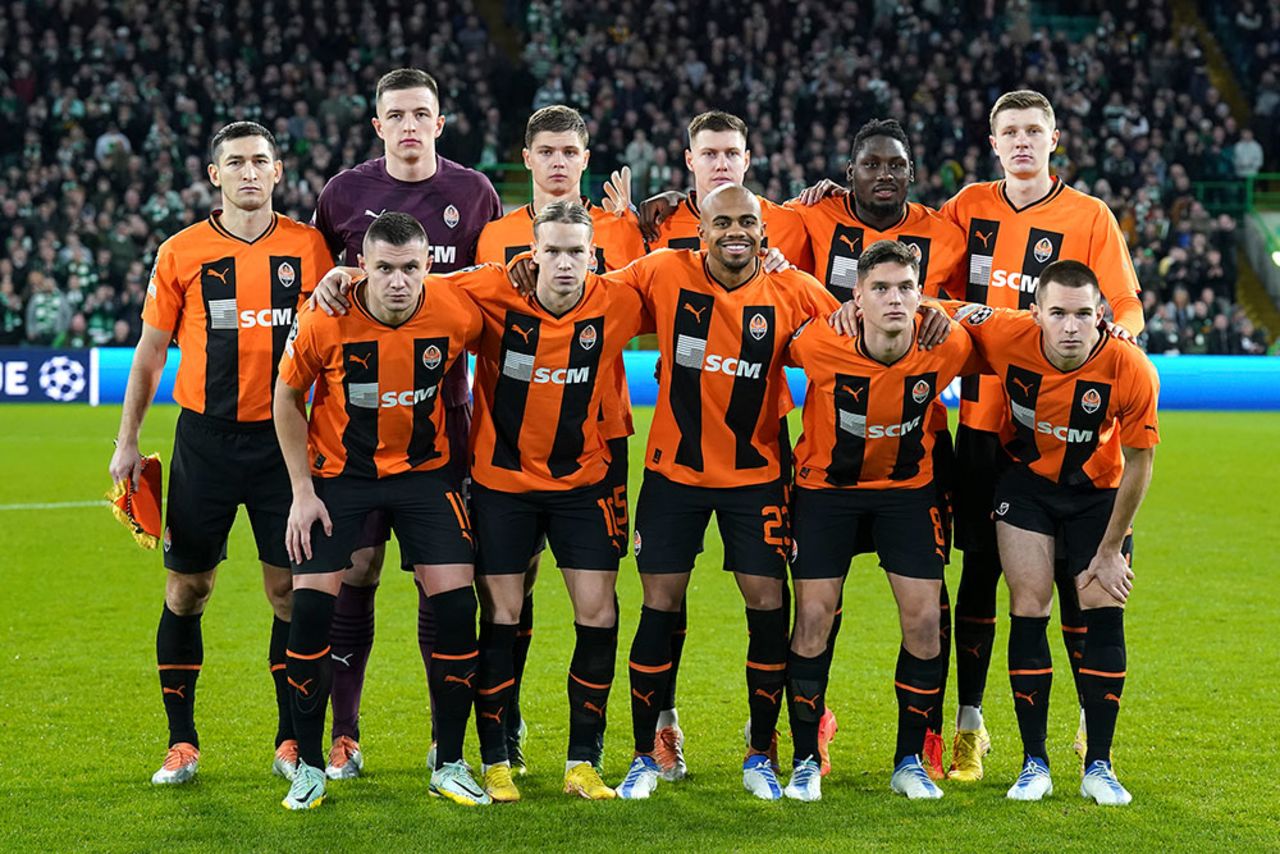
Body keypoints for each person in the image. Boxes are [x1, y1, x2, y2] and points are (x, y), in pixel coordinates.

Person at [107, 122, 332, 786]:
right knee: (188, 587)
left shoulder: (309, 247)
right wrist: (126, 441)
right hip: (203, 442)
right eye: (235, 162)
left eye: (261, 161)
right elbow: (150, 354)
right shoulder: (181, 252)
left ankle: (292, 741)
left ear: (279, 172)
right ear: (215, 176)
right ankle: (182, 744)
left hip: (285, 444)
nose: (249, 172)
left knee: (288, 592)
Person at [605, 184, 840, 801]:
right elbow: (589, 292)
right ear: (701, 231)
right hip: (672, 474)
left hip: (757, 476)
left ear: (763, 232)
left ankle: (760, 754)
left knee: (767, 609)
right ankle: (643, 755)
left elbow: (857, 327)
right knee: (659, 607)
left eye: (747, 222)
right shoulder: (660, 272)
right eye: (722, 222)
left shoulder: (793, 291)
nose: (735, 232)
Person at [938, 90, 1144, 781]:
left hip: (1071, 430)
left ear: (1055, 139)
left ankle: (1090, 721)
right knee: (979, 577)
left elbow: (1125, 312)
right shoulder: (966, 208)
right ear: (992, 140)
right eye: (1009, 131)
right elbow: (927, 291)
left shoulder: (1089, 217)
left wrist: (1113, 355)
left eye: (1034, 130)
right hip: (980, 425)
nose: (1022, 141)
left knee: (1077, 576)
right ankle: (971, 722)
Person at [309, 67, 503, 780]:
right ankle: (345, 734)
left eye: (423, 113)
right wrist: (329, 279)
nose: (411, 124)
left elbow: (483, 292)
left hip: (442, 416)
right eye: (398, 114)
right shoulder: (343, 193)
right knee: (354, 573)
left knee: (440, 577)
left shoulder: (473, 192)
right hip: (355, 425)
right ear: (378, 125)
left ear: (441, 122)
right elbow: (323, 287)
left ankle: (440, 737)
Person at [273, 212, 487, 809]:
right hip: (340, 480)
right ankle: (311, 765)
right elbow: (286, 396)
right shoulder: (325, 318)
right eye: (385, 268)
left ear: (429, 267)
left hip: (425, 478)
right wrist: (301, 491)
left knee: (456, 607)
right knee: (311, 611)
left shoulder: (454, 309)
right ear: (361, 267)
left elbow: (500, 286)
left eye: (411, 268)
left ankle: (448, 761)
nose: (399, 281)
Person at [789, 117, 971, 778]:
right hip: (825, 486)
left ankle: (911, 758)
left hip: (909, 485)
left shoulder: (948, 335)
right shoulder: (812, 337)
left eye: (896, 163)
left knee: (926, 619)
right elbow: (746, 237)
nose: (885, 174)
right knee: (812, 616)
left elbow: (995, 325)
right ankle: (806, 754)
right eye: (871, 164)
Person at [455, 200, 649, 802]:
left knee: (599, 613)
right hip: (501, 486)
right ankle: (494, 760)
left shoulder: (616, 301)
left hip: (582, 484)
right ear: (530, 254)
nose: (564, 263)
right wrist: (344, 277)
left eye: (576, 253)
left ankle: (582, 761)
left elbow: (689, 270)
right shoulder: (490, 292)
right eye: (553, 251)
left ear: (593, 257)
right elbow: (410, 280)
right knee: (503, 618)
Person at [947, 260, 1159, 805]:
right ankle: (1033, 763)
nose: (1070, 326)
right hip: (1028, 485)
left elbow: (1140, 463)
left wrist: (1112, 549)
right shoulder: (1005, 331)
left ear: (1101, 316)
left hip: (1099, 495)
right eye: (1058, 313)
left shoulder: (1130, 367)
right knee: (1030, 606)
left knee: (1102, 608)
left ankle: (1100, 766)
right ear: (1035, 312)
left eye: (1084, 314)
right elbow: (939, 311)